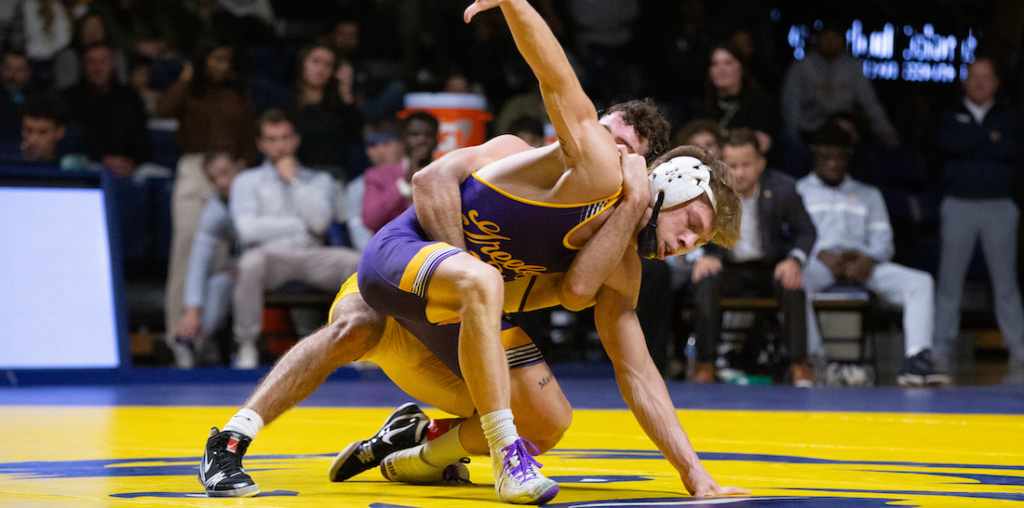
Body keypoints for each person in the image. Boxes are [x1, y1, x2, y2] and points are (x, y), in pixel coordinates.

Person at [197, 0, 745, 502]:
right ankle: (230, 440)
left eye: (699, 242)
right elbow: (552, 84)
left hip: (465, 313)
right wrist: (517, 4)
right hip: (408, 261)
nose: (687, 246)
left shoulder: (620, 263)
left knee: (549, 421)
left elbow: (638, 371)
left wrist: (695, 475)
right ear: (666, 182)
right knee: (365, 323)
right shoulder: (566, 163)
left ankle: (419, 447)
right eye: (692, 223)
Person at [796, 123, 949, 387]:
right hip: (818, 264)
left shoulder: (868, 194)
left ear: (848, 157)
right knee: (795, 282)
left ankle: (916, 361)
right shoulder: (798, 191)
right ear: (815, 156)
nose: (833, 163)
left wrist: (868, 259)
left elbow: (884, 241)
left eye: (839, 157)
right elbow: (792, 238)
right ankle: (816, 359)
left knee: (920, 282)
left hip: (863, 265)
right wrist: (818, 253)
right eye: (826, 157)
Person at [227, 108, 361, 369]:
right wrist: (297, 225)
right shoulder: (247, 181)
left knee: (356, 264)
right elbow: (247, 230)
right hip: (270, 256)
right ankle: (246, 345)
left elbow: (320, 223)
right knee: (249, 264)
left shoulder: (319, 179)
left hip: (311, 254)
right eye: (272, 139)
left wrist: (295, 182)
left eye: (285, 137)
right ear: (261, 144)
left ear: (295, 140)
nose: (280, 146)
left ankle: (355, 345)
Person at [687, 128, 816, 385]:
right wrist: (701, 255)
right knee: (706, 281)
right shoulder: (708, 190)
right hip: (727, 266)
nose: (739, 172)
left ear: (760, 163)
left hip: (769, 267)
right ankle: (705, 364)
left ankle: (799, 365)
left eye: (746, 164)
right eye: (732, 165)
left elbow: (806, 231)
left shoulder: (783, 188)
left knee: (792, 282)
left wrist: (795, 260)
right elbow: (688, 228)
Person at [159, 39, 258, 346]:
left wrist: (242, 172)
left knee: (218, 258)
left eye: (227, 59)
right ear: (202, 60)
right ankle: (177, 336)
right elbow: (163, 109)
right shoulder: (190, 88)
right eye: (215, 59)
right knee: (186, 250)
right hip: (194, 169)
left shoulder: (239, 93)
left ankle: (203, 340)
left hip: (230, 173)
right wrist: (186, 77)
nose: (222, 66)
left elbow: (249, 135)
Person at [933, 57, 1024, 381]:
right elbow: (947, 144)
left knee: (1006, 284)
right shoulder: (949, 115)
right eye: (974, 77)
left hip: (1000, 206)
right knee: (949, 282)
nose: (980, 83)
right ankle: (939, 349)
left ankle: (1020, 350)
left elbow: (1012, 150)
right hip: (958, 204)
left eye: (986, 78)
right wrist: (988, 139)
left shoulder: (1010, 117)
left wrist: (972, 142)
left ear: (997, 83)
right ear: (964, 82)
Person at [171, 149, 245, 369]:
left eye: (226, 173)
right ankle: (189, 342)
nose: (222, 182)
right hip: (250, 270)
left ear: (240, 168)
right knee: (219, 281)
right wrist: (192, 311)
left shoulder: (261, 186)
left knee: (243, 269)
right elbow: (199, 259)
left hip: (289, 258)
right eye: (213, 178)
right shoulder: (216, 208)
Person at [62, 42, 149, 177]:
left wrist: (131, 162)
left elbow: (142, 138)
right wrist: (102, 160)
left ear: (113, 63)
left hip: (129, 168)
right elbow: (70, 142)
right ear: (83, 66)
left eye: (103, 61)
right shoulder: (69, 99)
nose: (97, 68)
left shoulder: (131, 98)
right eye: (91, 62)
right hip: (88, 166)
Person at [283, 41, 362, 181]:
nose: (320, 69)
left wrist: (347, 95)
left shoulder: (340, 106)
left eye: (328, 65)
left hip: (332, 176)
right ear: (303, 63)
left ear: (334, 72)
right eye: (315, 61)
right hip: (295, 172)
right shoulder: (286, 102)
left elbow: (358, 136)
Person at [361, 112, 438, 233]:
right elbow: (370, 220)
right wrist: (404, 184)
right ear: (403, 139)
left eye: (428, 135)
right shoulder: (377, 175)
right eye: (414, 135)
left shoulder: (447, 173)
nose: (422, 140)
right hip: (392, 245)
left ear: (437, 139)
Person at [698, 43, 778, 155]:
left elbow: (763, 144)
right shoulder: (704, 104)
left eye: (728, 63)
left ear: (741, 66)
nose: (721, 69)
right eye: (715, 64)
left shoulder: (760, 102)